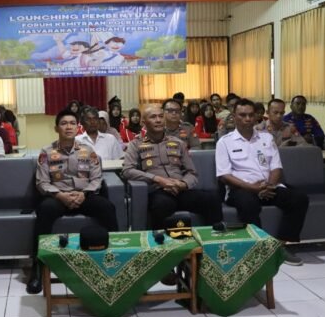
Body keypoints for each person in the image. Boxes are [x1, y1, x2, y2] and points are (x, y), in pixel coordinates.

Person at [27, 109, 119, 294]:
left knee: (107, 207)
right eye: (63, 123)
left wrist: (84, 194)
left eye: (72, 123)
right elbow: (42, 182)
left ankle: (116, 258)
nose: (68, 127)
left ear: (77, 127)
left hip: (84, 196)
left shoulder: (88, 151)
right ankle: (37, 267)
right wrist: (60, 195)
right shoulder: (46, 152)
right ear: (56, 128)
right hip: (58, 197)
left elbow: (96, 178)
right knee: (44, 210)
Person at [216, 99, 309, 266]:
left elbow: (276, 167)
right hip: (241, 189)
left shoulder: (266, 138)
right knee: (248, 204)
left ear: (256, 116)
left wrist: (269, 186)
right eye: (242, 115)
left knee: (299, 198)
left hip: (268, 187)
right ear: (234, 117)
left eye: (251, 115)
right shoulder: (225, 142)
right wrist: (253, 188)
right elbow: (224, 175)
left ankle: (280, 246)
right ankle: (259, 249)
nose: (247, 119)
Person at [122, 105, 223, 230]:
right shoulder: (136, 144)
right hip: (158, 191)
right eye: (153, 117)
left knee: (212, 198)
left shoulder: (178, 142)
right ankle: (160, 241)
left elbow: (192, 172)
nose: (158, 120)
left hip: (180, 190)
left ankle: (215, 237)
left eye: (160, 116)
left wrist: (182, 184)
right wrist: (158, 179)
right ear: (144, 122)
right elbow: (127, 170)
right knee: (162, 205)